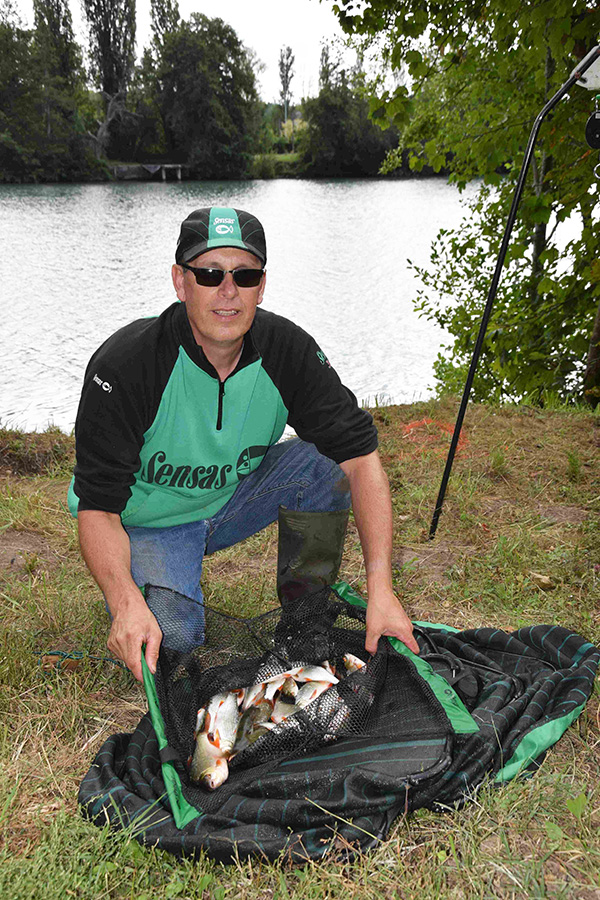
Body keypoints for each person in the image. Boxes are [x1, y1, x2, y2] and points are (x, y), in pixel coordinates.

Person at [69, 206, 418, 681]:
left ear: (262, 283)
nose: (228, 291)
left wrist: (382, 586)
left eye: (245, 274)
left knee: (324, 465)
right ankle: (139, 584)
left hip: (230, 498)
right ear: (180, 281)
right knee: (173, 638)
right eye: (210, 274)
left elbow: (360, 458)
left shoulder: (286, 350)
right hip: (142, 520)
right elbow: (97, 508)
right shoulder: (127, 364)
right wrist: (124, 601)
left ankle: (304, 622)